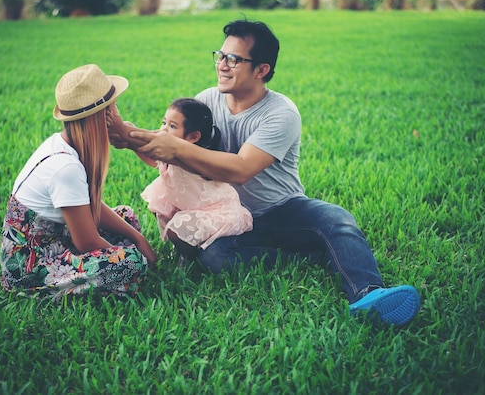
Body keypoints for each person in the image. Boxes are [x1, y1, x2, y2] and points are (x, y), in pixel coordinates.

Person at [110, 19, 420, 326]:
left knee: (336, 220)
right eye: (220, 56)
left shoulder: (280, 113)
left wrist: (172, 148)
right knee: (216, 259)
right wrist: (128, 136)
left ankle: (367, 294)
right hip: (224, 216)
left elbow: (241, 169)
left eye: (234, 59)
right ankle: (311, 257)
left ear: (262, 69)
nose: (222, 65)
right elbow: (167, 149)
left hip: (281, 209)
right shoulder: (207, 100)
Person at [0, 64, 157, 297]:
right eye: (114, 107)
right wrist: (135, 254)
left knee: (127, 218)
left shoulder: (63, 144)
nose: (117, 113)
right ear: (104, 116)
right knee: (131, 263)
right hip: (30, 266)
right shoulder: (66, 167)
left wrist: (137, 237)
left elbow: (87, 207)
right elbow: (87, 242)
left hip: (56, 238)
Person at [136, 98, 253, 257]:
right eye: (164, 123)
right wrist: (130, 137)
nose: (163, 130)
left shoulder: (195, 160)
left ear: (193, 137)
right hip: (186, 203)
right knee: (159, 206)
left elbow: (152, 152)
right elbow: (151, 157)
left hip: (216, 211)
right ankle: (183, 246)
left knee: (175, 230)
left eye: (172, 126)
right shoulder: (169, 150)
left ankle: (189, 257)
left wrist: (130, 138)